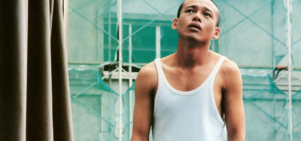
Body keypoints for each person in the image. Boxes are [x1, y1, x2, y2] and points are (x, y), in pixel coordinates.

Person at [131, 0, 245, 140]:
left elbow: (237, 135)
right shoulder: (150, 74)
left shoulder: (227, 72)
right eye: (190, 10)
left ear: (216, 32)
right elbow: (139, 136)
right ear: (175, 23)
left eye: (207, 14)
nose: (197, 16)